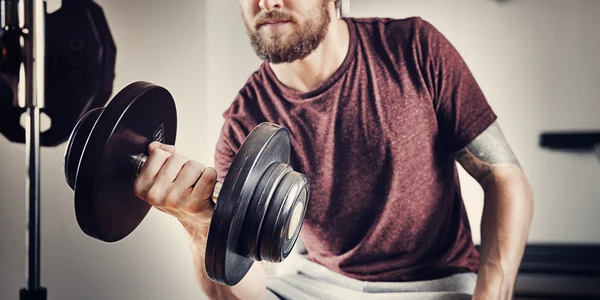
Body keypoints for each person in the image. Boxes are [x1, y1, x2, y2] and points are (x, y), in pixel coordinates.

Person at [133, 0, 534, 299]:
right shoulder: (243, 123)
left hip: (437, 282)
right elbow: (241, 286)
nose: (268, 2)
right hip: (319, 284)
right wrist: (198, 225)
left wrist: (492, 293)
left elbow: (503, 176)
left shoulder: (413, 47)